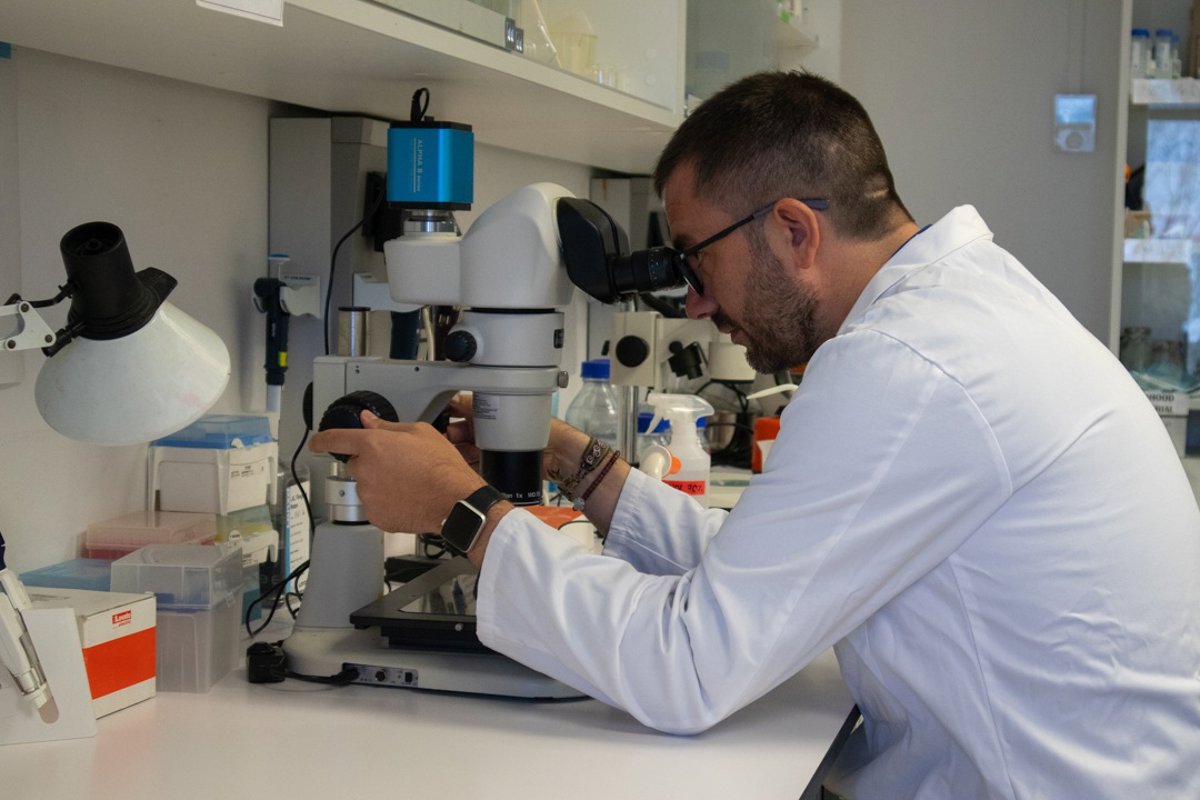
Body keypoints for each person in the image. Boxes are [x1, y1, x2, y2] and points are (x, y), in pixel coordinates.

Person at [309, 71, 1200, 797]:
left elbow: (685, 668)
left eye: (696, 260)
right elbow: (769, 565)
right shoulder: (956, 314)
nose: (695, 304)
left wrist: (459, 509)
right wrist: (575, 460)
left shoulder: (905, 365)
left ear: (794, 230)